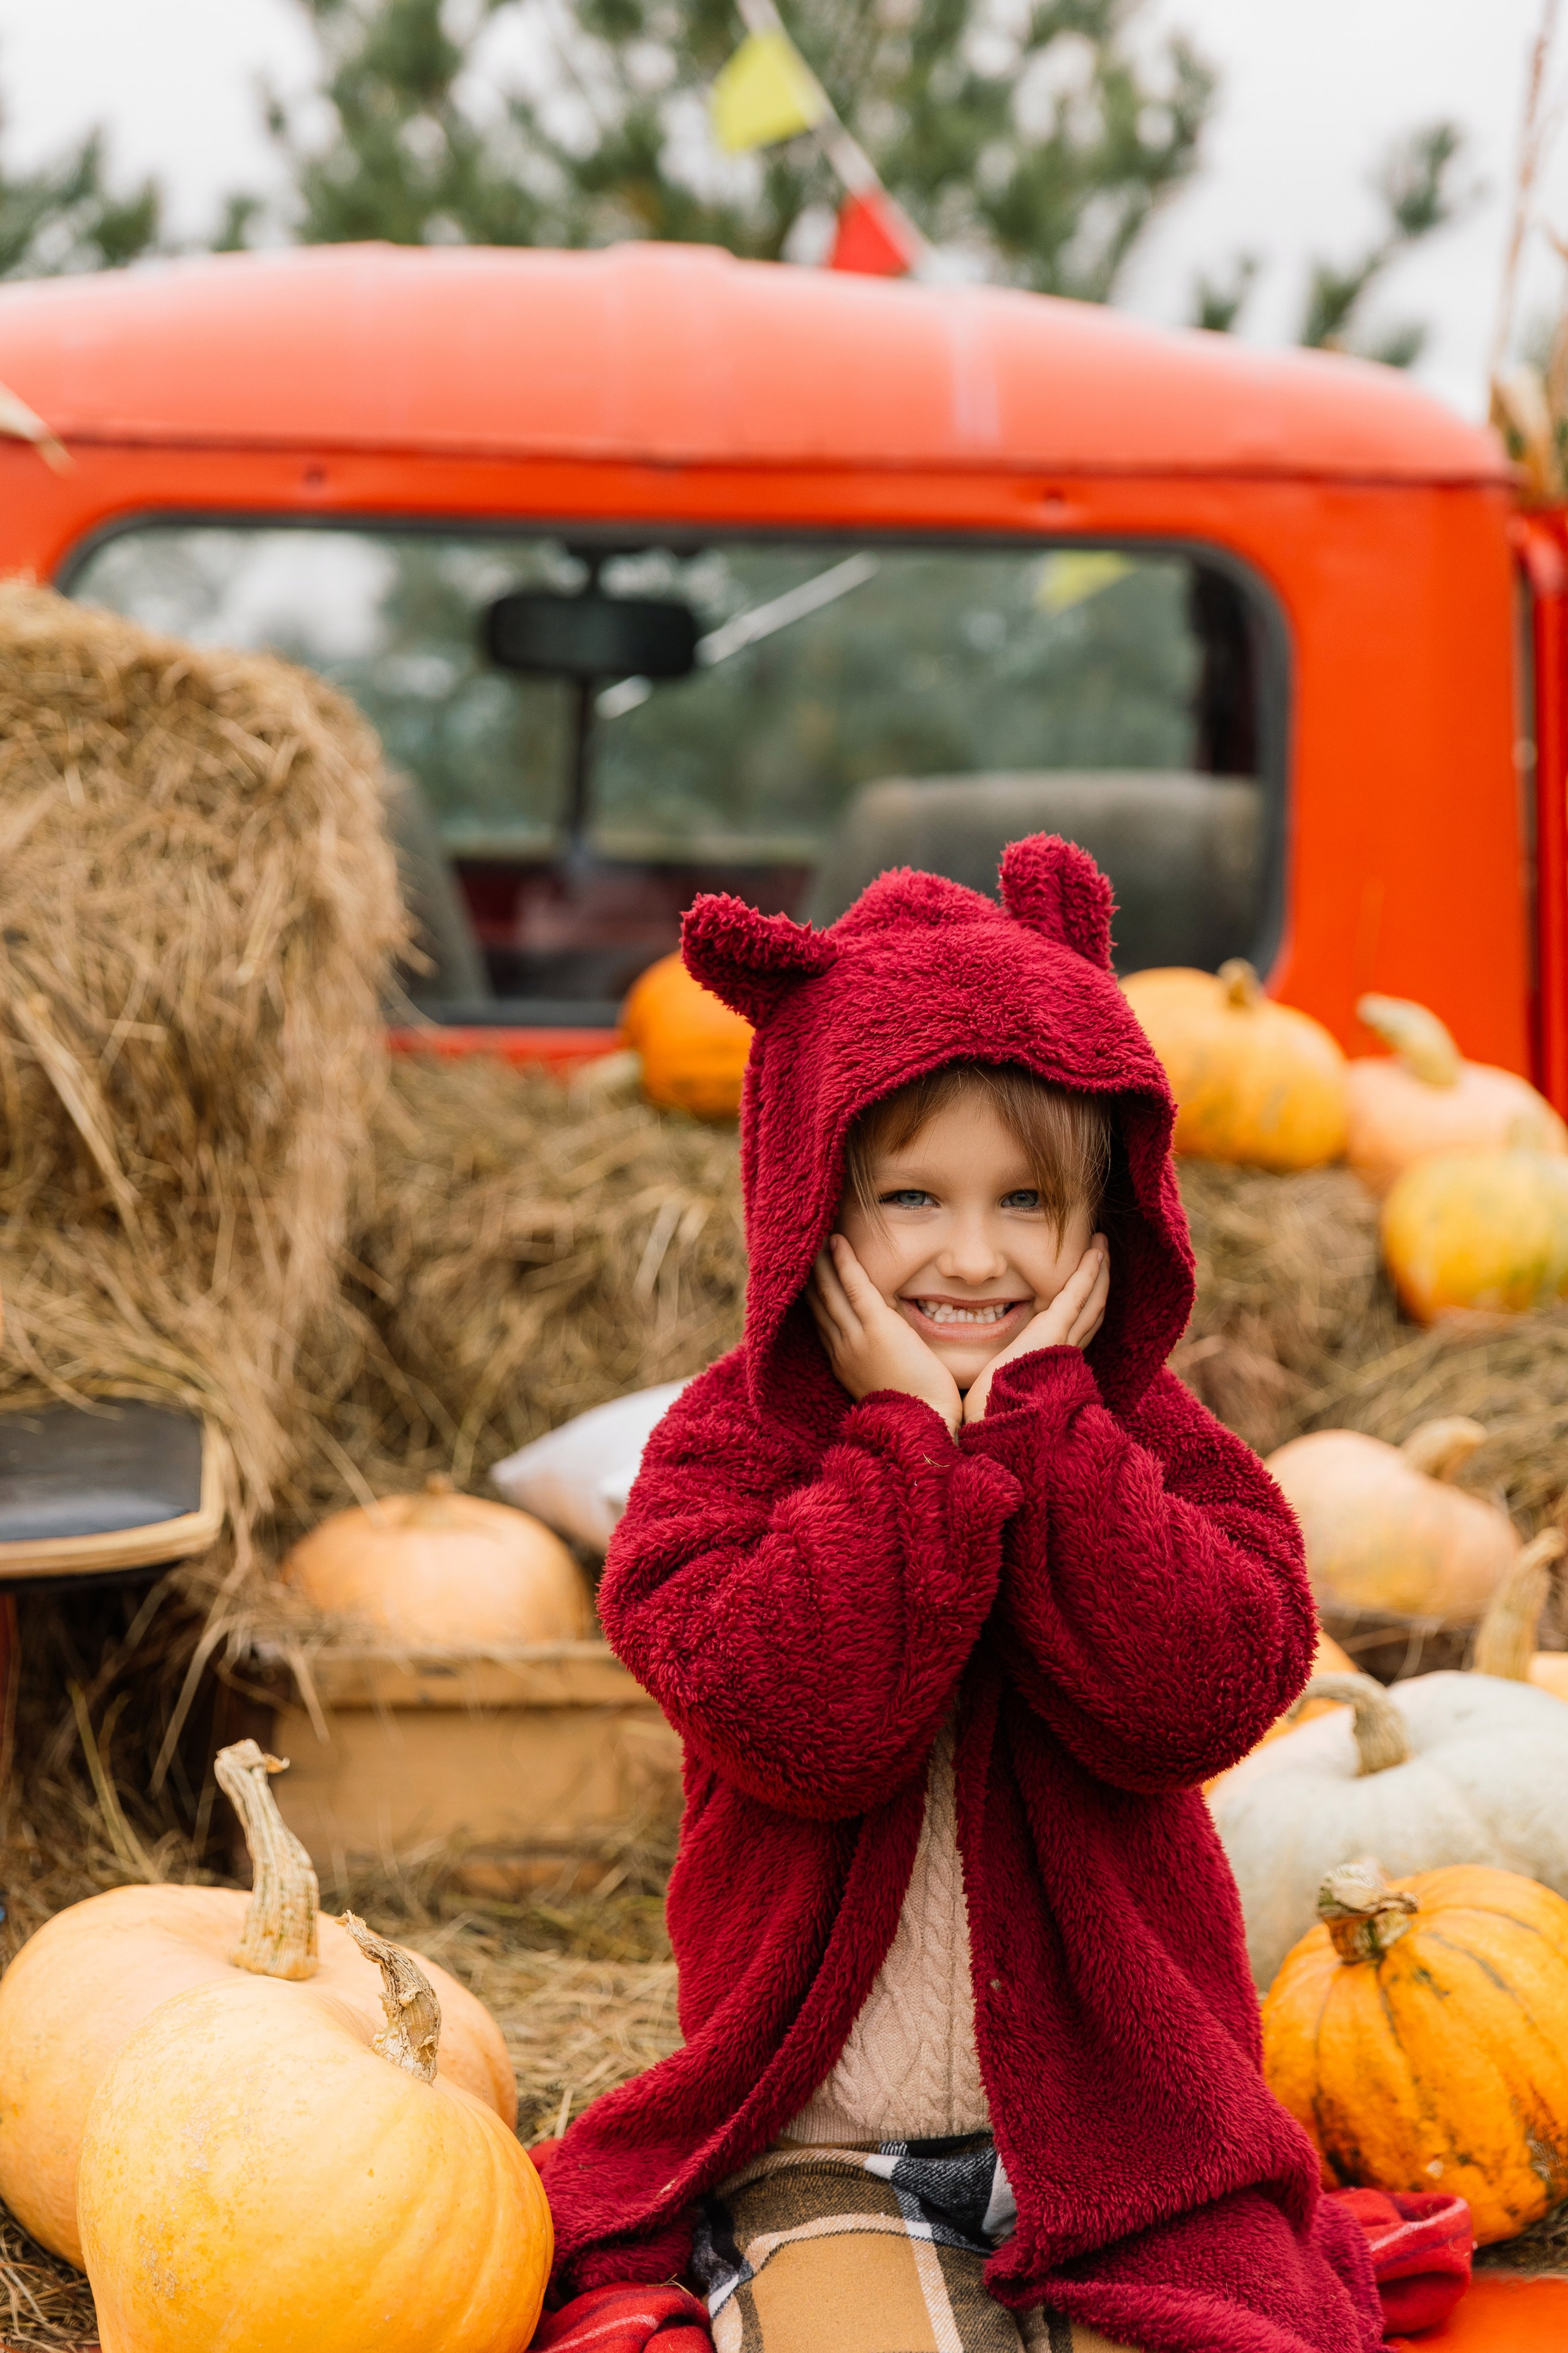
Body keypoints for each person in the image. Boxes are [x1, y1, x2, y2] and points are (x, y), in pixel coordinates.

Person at [540, 837, 1381, 2353]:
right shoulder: (723, 1457)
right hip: (823, 2135)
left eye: (1026, 1203)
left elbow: (1193, 1698)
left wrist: (1048, 1430)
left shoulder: (1153, 1447)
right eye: (912, 1195)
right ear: (816, 1203)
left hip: (1135, 2133)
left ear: (1103, 1224)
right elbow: (802, 1725)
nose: (973, 1257)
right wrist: (906, 1447)